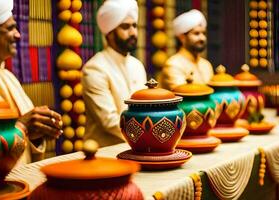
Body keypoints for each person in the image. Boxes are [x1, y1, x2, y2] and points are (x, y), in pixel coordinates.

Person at [0, 0, 62, 163]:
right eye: (10, 28)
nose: (18, 35)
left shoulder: (8, 77)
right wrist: (23, 127)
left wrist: (37, 133)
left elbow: (25, 131)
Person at [81, 0, 147, 147]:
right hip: (105, 155)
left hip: (140, 148)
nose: (133, 32)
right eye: (125, 27)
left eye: (134, 26)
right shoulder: (95, 68)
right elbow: (109, 121)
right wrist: (148, 138)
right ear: (109, 32)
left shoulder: (137, 65)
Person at [160, 9, 214, 90]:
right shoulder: (173, 65)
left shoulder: (206, 64)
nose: (202, 38)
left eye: (204, 33)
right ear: (182, 37)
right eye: (196, 33)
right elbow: (184, 96)